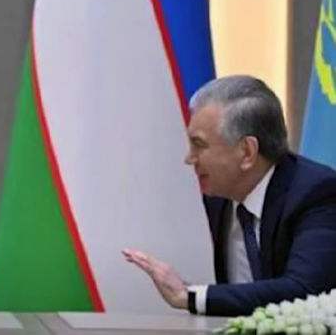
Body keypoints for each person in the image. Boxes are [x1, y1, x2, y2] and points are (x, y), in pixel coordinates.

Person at [123, 75, 336, 316]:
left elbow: (303, 291)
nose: (189, 158)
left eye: (199, 145)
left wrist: (190, 296)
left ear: (247, 152)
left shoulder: (316, 194)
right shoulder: (218, 194)